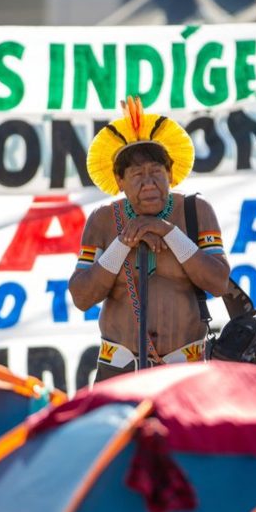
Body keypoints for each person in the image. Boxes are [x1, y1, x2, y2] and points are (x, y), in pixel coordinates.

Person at [69, 96, 230, 382]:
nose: (149, 182)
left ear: (170, 173)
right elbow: (82, 297)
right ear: (119, 181)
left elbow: (218, 282)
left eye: (156, 172)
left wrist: (169, 231)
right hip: (119, 371)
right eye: (137, 174)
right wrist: (123, 243)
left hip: (186, 372)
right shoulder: (103, 220)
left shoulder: (195, 211)